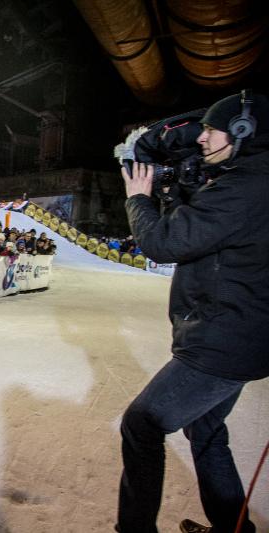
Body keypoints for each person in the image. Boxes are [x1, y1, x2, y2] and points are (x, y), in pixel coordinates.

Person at [115, 92, 269, 533]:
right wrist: (177, 190)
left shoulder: (246, 187)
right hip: (239, 337)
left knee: (141, 425)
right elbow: (196, 230)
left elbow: (163, 243)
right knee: (205, 430)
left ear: (242, 131)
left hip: (223, 341)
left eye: (210, 129)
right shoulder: (247, 177)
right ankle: (232, 527)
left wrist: (138, 198)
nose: (202, 138)